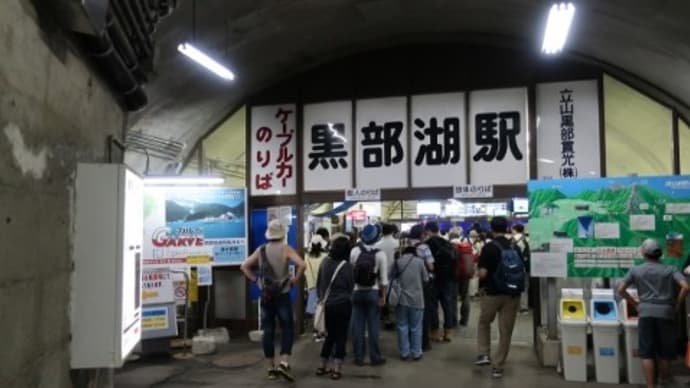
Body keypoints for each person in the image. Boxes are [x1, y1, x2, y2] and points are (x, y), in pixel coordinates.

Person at [240, 220, 306, 382]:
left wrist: (256, 280)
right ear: (282, 234)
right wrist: (294, 280)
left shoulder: (261, 250)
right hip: (282, 295)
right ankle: (283, 363)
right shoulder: (286, 249)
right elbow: (302, 264)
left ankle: (270, 368)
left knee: (268, 331)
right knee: (287, 328)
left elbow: (244, 266)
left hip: (266, 296)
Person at [618, 239, 689, 388]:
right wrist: (676, 304)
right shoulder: (670, 269)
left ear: (643, 253)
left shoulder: (636, 270)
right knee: (665, 352)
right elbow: (685, 287)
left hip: (645, 313)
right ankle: (664, 381)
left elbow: (621, 289)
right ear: (660, 254)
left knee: (647, 353)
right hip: (666, 313)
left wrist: (636, 304)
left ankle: (651, 386)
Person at [474, 216, 525, 379]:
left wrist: (478, 278)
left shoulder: (489, 248)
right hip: (512, 295)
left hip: (492, 294)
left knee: (484, 322)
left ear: (491, 228)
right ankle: (498, 366)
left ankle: (484, 354)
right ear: (508, 228)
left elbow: (483, 273)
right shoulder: (515, 247)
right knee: (506, 331)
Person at [316, 236, 355, 380]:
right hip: (343, 305)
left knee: (329, 336)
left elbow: (319, 283)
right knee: (341, 337)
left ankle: (322, 366)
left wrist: (322, 299)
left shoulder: (325, 262)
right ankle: (337, 369)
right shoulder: (347, 266)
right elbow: (351, 286)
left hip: (328, 305)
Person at [350, 223, 389, 366]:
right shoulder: (380, 254)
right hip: (373, 292)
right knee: (373, 327)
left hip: (356, 292)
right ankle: (375, 357)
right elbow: (384, 280)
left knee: (357, 326)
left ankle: (358, 357)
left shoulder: (354, 251)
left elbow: (351, 273)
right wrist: (383, 296)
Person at [393, 239, 429, 361]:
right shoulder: (420, 262)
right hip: (417, 300)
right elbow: (426, 279)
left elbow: (392, 278)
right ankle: (416, 352)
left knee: (402, 326)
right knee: (416, 327)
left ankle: (404, 352)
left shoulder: (398, 262)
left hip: (401, 299)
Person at [425, 221, 457, 342]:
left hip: (433, 278)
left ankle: (434, 332)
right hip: (448, 279)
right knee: (447, 305)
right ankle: (448, 332)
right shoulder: (447, 243)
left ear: (428, 230)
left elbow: (426, 263)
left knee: (433, 306)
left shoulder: (427, 244)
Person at [408, 223, 435, 351]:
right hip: (423, 283)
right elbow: (431, 267)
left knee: (407, 313)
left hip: (406, 282)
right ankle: (423, 343)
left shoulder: (404, 245)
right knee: (423, 312)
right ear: (421, 234)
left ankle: (408, 343)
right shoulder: (424, 247)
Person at [449, 228, 475, 329]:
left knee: (453, 298)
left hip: (454, 275)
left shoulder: (450, 246)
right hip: (465, 275)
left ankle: (453, 321)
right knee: (465, 296)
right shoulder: (466, 246)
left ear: (450, 237)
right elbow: (475, 257)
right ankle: (464, 320)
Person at [376, 223, 400, 330]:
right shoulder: (397, 243)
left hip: (381, 275)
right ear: (392, 232)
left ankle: (384, 318)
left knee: (382, 297)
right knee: (393, 297)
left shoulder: (377, 244)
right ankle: (392, 319)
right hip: (394, 274)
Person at [305, 234, 328, 341]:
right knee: (323, 309)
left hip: (313, 286)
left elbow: (307, 273)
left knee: (315, 309)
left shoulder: (307, 257)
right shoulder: (325, 256)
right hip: (324, 286)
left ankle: (315, 331)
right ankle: (322, 331)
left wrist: (310, 286)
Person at [511, 224, 530, 313]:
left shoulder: (512, 240)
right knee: (524, 287)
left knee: (512, 285)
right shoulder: (527, 239)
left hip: (513, 267)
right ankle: (524, 307)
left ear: (515, 230)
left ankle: (513, 306)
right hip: (524, 267)